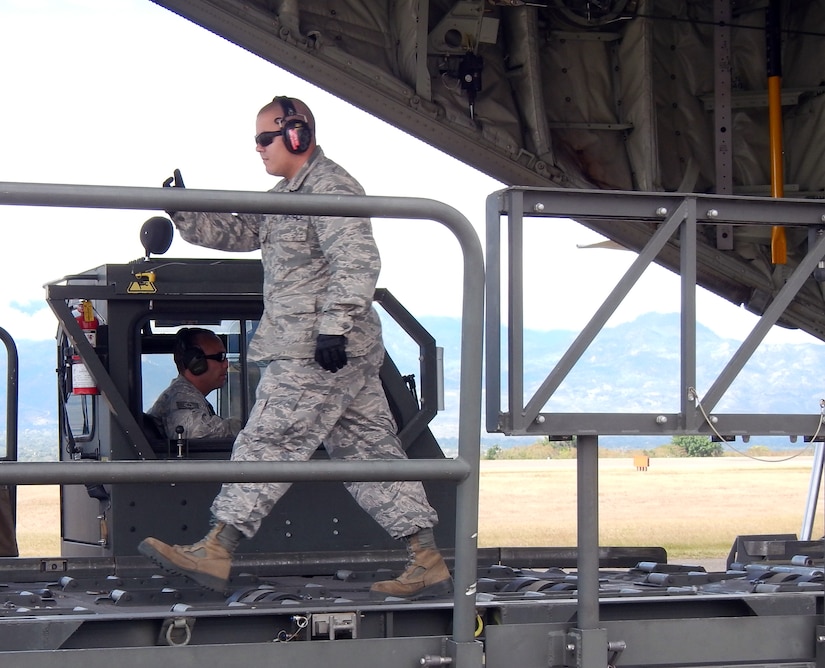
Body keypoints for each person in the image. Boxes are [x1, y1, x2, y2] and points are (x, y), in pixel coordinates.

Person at [139, 96, 451, 600]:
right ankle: (426, 560)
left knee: (267, 442)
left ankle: (217, 548)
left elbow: (357, 258)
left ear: (297, 135)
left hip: (315, 349)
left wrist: (334, 326)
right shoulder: (286, 196)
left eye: (265, 138)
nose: (258, 149)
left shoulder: (331, 187)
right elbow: (241, 230)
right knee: (370, 455)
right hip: (326, 347)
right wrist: (183, 208)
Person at [147, 327, 241, 439]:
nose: (226, 364)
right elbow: (195, 433)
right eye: (220, 357)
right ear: (195, 362)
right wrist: (245, 426)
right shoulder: (179, 396)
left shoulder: (190, 395)